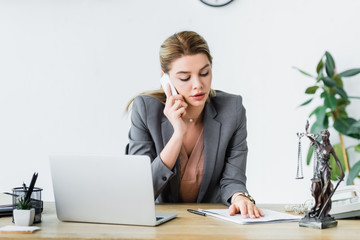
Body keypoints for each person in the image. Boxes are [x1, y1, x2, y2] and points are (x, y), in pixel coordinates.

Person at [126, 31, 263, 218]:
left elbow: (233, 179)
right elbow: (138, 191)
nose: (198, 84)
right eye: (185, 77)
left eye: (204, 73)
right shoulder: (145, 110)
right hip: (159, 223)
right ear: (165, 78)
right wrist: (178, 135)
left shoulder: (233, 109)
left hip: (211, 223)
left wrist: (240, 198)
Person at [306, 129, 345, 218]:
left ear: (327, 137)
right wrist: (306, 131)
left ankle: (323, 208)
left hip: (326, 169)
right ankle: (316, 205)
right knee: (315, 189)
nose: (323, 137)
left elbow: (337, 160)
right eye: (323, 136)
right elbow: (311, 139)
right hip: (317, 170)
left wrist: (342, 171)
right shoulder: (318, 145)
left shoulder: (330, 148)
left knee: (325, 188)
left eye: (325, 136)